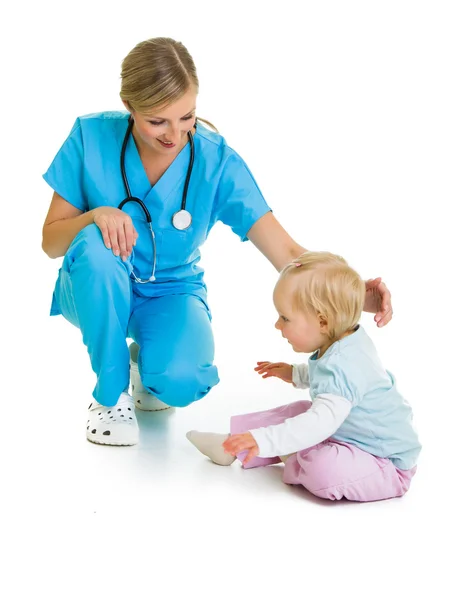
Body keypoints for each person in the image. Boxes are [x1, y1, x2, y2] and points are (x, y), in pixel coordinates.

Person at [41, 37, 393, 448]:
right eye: (157, 121)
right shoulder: (89, 137)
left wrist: (351, 297)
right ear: (129, 106)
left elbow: (287, 253)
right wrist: (96, 215)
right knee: (99, 250)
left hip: (170, 292)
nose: (175, 134)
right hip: (93, 284)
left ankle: (143, 364)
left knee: (183, 380)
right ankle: (110, 395)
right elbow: (51, 241)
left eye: (187, 116)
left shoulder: (216, 160)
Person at [186, 252, 420, 502]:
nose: (278, 325)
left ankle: (289, 452)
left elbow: (328, 402)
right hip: (344, 433)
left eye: (285, 318)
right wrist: (295, 373)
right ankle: (232, 445)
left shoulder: (346, 364)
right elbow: (329, 376)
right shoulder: (343, 341)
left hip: (383, 462)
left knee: (324, 467)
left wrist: (267, 439)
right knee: (300, 410)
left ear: (322, 321)